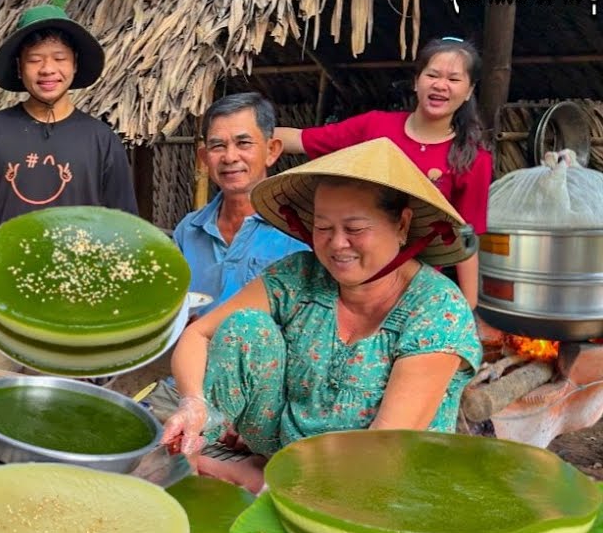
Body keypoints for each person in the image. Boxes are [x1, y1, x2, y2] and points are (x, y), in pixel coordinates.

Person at [160, 138, 482, 493]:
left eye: (355, 229)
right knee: (244, 327)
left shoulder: (437, 308)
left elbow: (383, 450)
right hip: (286, 449)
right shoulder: (300, 274)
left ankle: (264, 477)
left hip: (383, 480)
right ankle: (261, 464)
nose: (337, 243)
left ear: (402, 225)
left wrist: (263, 485)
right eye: (323, 227)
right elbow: (199, 334)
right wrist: (194, 404)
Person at [0, 4, 137, 372]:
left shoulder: (100, 139)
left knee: (55, 401)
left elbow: (120, 230)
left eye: (59, 58)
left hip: (71, 305)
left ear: (75, 65)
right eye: (35, 60)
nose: (48, 69)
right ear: (19, 67)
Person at [276, 36, 492, 308]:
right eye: (432, 75)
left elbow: (467, 237)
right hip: (348, 274)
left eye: (454, 79)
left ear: (469, 90)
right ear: (416, 81)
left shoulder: (473, 159)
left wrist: (470, 307)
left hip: (414, 290)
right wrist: (249, 139)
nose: (440, 85)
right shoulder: (374, 127)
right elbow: (301, 139)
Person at [173, 92, 308, 315]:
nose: (230, 157)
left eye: (243, 143)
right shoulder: (188, 231)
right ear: (205, 158)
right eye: (218, 146)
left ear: (271, 151)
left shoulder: (298, 232)